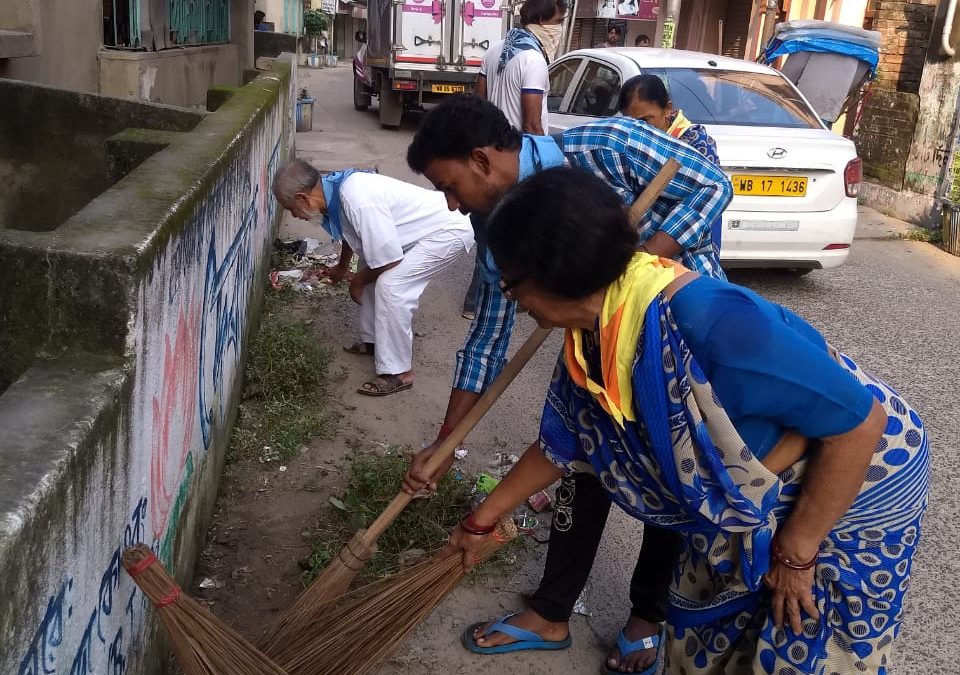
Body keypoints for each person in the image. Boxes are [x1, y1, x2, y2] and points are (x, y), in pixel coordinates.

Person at [449, 166, 929, 675]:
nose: (509, 296)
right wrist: (482, 519)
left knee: (797, 642)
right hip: (746, 492)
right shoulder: (595, 335)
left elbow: (860, 422)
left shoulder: (712, 322)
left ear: (553, 274)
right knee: (707, 635)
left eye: (509, 281)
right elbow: (564, 444)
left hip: (854, 481)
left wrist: (796, 551)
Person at [404, 95, 731, 672]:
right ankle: (552, 610)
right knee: (579, 454)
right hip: (586, 334)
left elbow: (712, 187)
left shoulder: (604, 146)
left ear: (481, 160)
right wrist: (446, 440)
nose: (453, 206)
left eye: (450, 186)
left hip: (673, 331)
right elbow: (488, 337)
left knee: (671, 467)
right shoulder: (495, 227)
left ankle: (646, 619)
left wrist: (635, 265)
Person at [272, 159, 474, 396]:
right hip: (421, 231)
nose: (295, 216)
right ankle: (374, 342)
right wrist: (342, 266)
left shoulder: (356, 198)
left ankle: (399, 372)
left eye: (290, 209)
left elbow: (389, 261)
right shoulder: (334, 191)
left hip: (449, 231)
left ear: (303, 199)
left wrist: (357, 281)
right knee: (371, 265)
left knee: (392, 286)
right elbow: (352, 232)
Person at [462, 0, 567, 321]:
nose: (559, 28)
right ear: (541, 20)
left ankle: (474, 302)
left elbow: (478, 105)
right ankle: (508, 301)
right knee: (510, 236)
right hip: (518, 162)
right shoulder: (533, 60)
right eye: (558, 20)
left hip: (488, 159)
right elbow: (533, 125)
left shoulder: (495, 50)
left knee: (491, 232)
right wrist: (550, 172)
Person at [618, 74, 724, 251]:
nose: (638, 128)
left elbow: (705, 204)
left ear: (667, 109)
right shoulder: (627, 143)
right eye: (631, 122)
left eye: (645, 120)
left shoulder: (695, 144)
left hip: (684, 243)